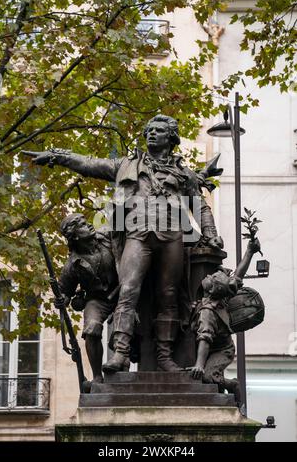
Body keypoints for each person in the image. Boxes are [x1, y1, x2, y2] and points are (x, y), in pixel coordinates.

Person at [23, 114, 223, 373]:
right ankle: (121, 353)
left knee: (169, 295)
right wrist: (57, 156)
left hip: (172, 237)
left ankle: (164, 357)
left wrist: (210, 232)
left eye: (159, 130)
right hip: (138, 236)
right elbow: (89, 163)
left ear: (171, 138)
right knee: (128, 290)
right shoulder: (126, 166)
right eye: (149, 129)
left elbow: (200, 207)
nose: (151, 133)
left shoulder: (183, 174)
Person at [188, 237, 262, 407]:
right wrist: (250, 252)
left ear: (213, 289)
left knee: (207, 376)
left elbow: (205, 339)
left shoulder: (208, 312)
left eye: (211, 277)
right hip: (213, 347)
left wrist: (199, 364)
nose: (207, 275)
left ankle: (233, 385)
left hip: (222, 350)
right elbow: (238, 274)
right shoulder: (224, 294)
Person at [55, 213, 118, 388]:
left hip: (121, 292)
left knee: (127, 322)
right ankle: (97, 377)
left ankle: (122, 359)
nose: (89, 225)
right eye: (82, 225)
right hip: (97, 299)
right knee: (91, 330)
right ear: (74, 236)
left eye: (86, 221)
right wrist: (61, 300)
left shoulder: (107, 236)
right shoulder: (72, 264)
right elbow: (64, 292)